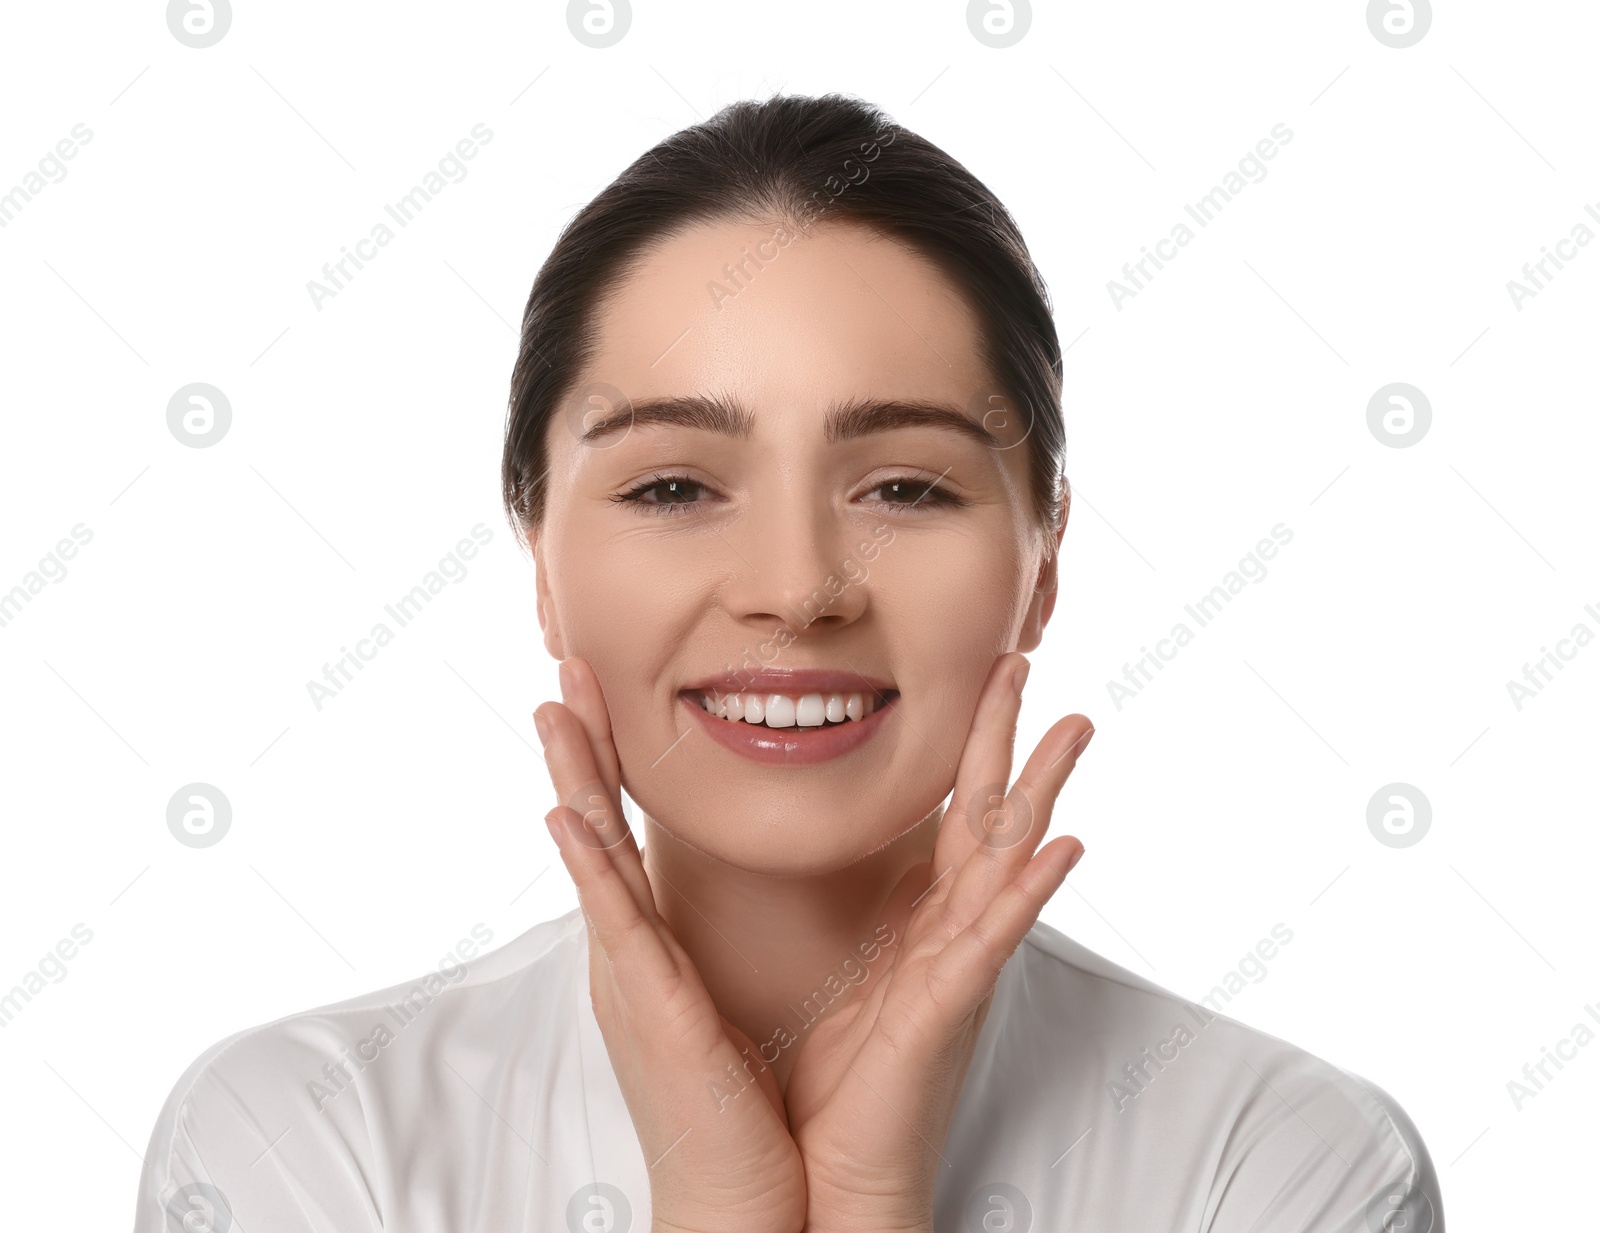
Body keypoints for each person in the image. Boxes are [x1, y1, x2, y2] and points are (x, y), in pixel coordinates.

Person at [134, 93, 1443, 1233]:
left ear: (1043, 563)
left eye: (906, 487)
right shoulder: (304, 1139)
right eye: (671, 485)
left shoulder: (1277, 1161)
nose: (794, 588)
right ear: (541, 560)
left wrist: (873, 1206)